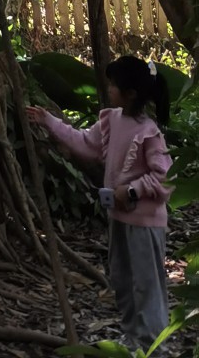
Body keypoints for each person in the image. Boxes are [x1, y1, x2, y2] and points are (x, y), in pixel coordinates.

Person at [27, 56, 172, 350]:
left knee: (147, 284)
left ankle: (154, 346)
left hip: (144, 224)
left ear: (130, 93)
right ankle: (133, 339)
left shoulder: (149, 133)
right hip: (119, 219)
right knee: (122, 278)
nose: (108, 88)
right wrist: (49, 121)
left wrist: (131, 191)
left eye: (113, 84)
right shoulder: (111, 121)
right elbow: (85, 142)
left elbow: (165, 178)